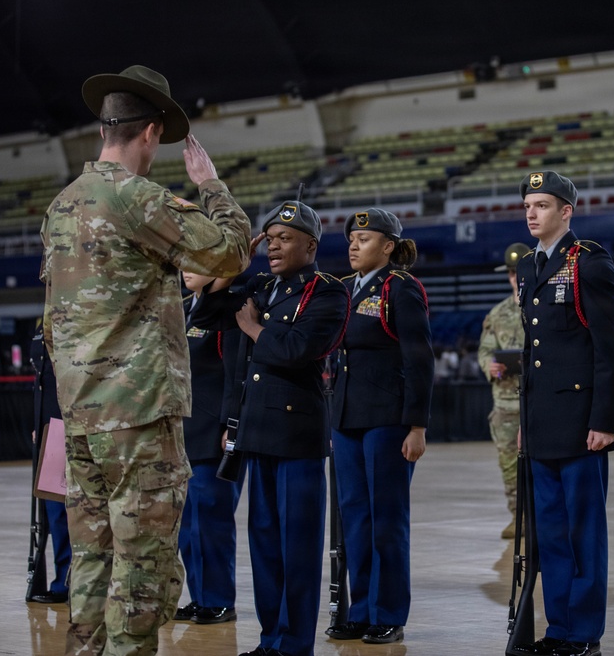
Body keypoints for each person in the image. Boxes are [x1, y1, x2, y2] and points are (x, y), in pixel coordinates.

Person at [40, 64, 252, 655]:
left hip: (80, 416)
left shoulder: (62, 205)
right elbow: (231, 252)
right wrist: (211, 186)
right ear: (152, 132)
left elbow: (53, 321)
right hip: (137, 416)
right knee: (142, 570)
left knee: (91, 562)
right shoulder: (137, 198)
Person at [192, 200, 349, 656]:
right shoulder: (260, 286)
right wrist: (237, 259)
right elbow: (206, 313)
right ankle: (270, 641)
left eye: (285, 237)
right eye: (270, 238)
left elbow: (300, 349)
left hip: (297, 438)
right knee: (263, 545)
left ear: (310, 245)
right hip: (257, 433)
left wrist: (255, 329)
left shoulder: (326, 291)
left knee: (296, 548)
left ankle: (295, 644)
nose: (275, 245)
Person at [511, 171, 614, 656]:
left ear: (566, 211)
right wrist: (525, 420)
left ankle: (583, 632)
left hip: (582, 424)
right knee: (552, 536)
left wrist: (605, 420)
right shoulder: (531, 266)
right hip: (543, 423)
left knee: (583, 535)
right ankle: (558, 628)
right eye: (528, 205)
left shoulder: (588, 261)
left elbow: (613, 346)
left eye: (542, 205)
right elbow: (533, 353)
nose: (532, 213)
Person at [326, 208, 433, 645]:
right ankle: (362, 609)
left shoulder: (400, 288)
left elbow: (419, 359)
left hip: (389, 422)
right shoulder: (344, 289)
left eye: (365, 239)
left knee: (386, 520)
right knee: (355, 518)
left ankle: (388, 612)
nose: (354, 244)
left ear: (388, 247)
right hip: (347, 420)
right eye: (352, 237)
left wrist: (418, 426)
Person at [173, 271, 243, 625]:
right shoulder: (185, 307)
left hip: (212, 433)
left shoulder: (228, 307)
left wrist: (230, 424)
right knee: (187, 526)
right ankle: (200, 596)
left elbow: (234, 371)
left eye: (197, 261)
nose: (186, 269)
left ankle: (219, 599)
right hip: (183, 432)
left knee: (211, 521)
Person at [477, 242, 529, 539]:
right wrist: (490, 367)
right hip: (506, 402)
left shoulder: (543, 307)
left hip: (539, 400)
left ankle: (540, 517)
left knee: (544, 464)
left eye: (518, 272)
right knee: (509, 463)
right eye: (510, 273)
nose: (514, 278)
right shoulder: (496, 314)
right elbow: (485, 352)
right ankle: (517, 516)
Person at [27, 319, 71, 604]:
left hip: (73, 423)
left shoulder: (79, 310)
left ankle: (76, 580)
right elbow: (42, 379)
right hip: (49, 428)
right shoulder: (41, 320)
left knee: (78, 510)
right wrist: (39, 421)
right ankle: (61, 580)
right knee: (53, 512)